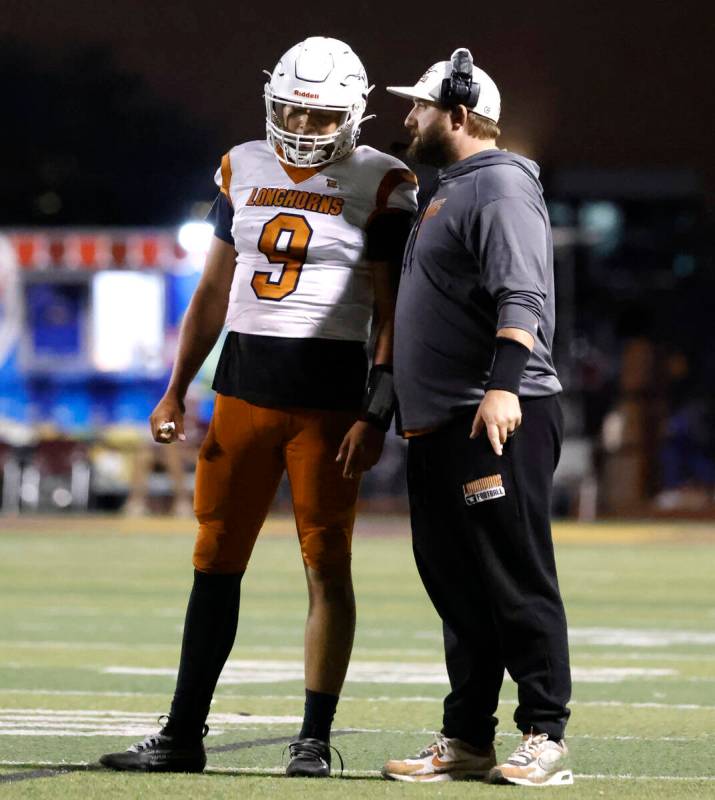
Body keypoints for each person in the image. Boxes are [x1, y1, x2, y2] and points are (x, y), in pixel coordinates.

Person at [99, 36, 417, 777]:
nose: (303, 128)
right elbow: (212, 291)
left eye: (318, 115)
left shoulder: (381, 178)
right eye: (292, 111)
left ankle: (311, 737)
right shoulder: (241, 164)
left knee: (326, 567)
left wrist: (377, 406)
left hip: (330, 401)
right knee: (213, 561)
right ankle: (182, 734)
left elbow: (391, 306)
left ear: (352, 114)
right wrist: (177, 385)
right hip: (241, 387)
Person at [381, 49, 573, 787]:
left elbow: (520, 296)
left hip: (489, 417)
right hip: (440, 423)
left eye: (420, 108)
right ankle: (465, 738)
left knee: (514, 577)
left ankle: (544, 733)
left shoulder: (494, 187)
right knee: (459, 592)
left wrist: (503, 388)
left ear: (458, 114)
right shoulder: (453, 188)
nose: (409, 119)